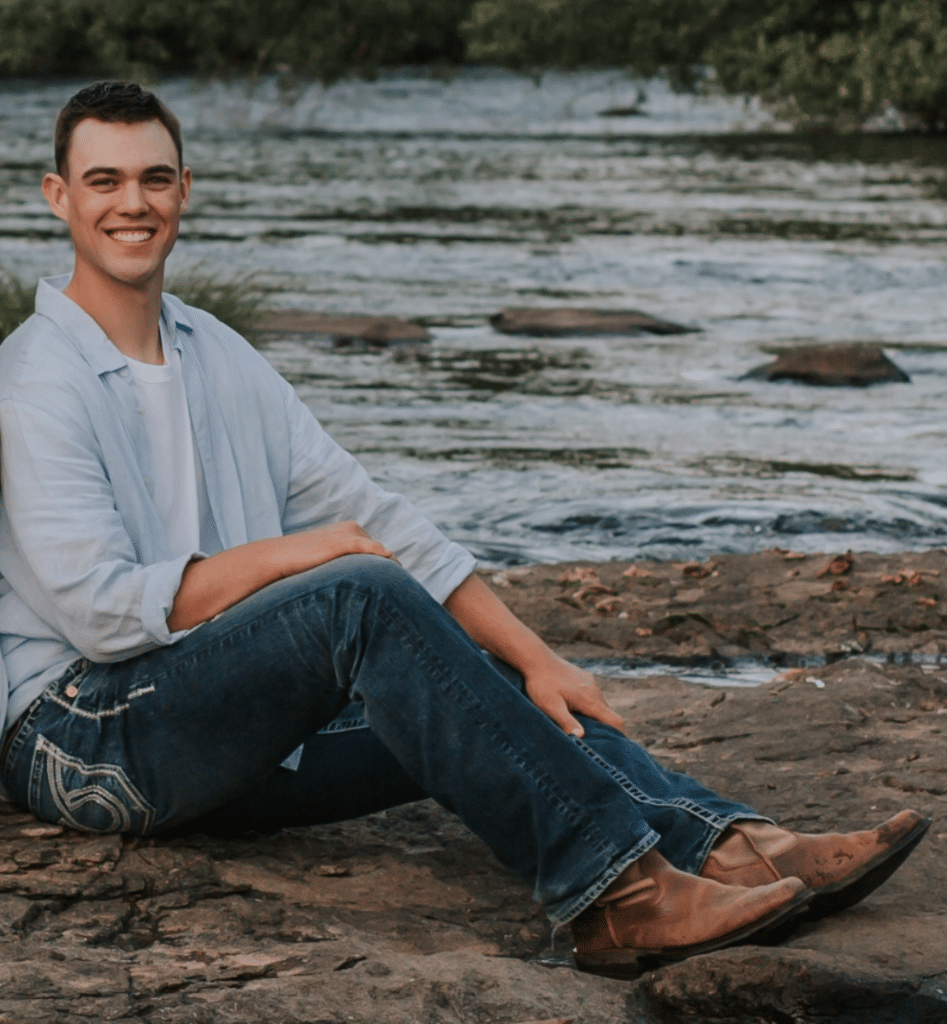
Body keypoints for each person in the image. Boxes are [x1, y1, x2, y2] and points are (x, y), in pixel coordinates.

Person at [0, 81, 930, 977]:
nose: (134, 203)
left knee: (470, 673)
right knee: (357, 596)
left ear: (184, 190)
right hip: (85, 739)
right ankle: (616, 897)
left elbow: (375, 516)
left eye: (154, 178)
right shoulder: (39, 378)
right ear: (59, 197)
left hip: (221, 731)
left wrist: (537, 660)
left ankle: (730, 849)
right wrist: (304, 551)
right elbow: (104, 612)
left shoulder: (215, 350)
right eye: (105, 181)